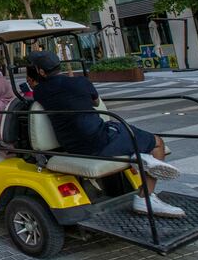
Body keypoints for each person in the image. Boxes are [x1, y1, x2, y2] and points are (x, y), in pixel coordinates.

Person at [29, 50, 184, 218]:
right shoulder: (81, 82)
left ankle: (140, 157)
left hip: (73, 145)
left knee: (119, 129)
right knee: (157, 142)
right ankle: (145, 198)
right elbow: (95, 102)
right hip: (99, 141)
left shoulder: (40, 92)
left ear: (41, 72)